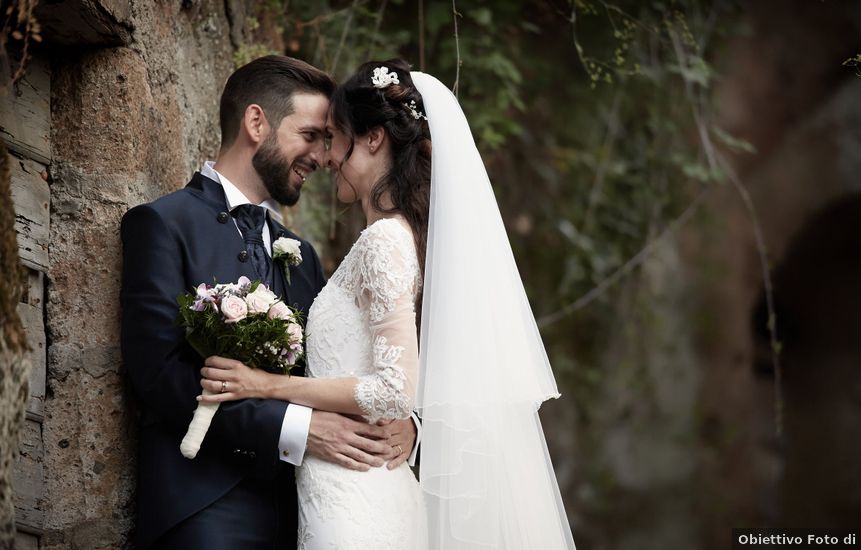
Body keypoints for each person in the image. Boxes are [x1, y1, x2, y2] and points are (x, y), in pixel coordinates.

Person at [200, 59, 576, 549]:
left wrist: (266, 384)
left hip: (353, 503)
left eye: (334, 137)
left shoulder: (384, 241)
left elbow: (395, 388)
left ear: (373, 139)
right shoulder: (405, 240)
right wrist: (411, 428)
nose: (328, 155)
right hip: (352, 489)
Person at [120, 55, 418, 550]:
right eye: (311, 135)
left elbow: (336, 366)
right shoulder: (163, 224)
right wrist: (297, 428)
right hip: (205, 506)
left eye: (329, 140)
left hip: (311, 511)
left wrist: (405, 424)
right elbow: (158, 374)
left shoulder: (302, 256)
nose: (324, 157)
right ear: (256, 122)